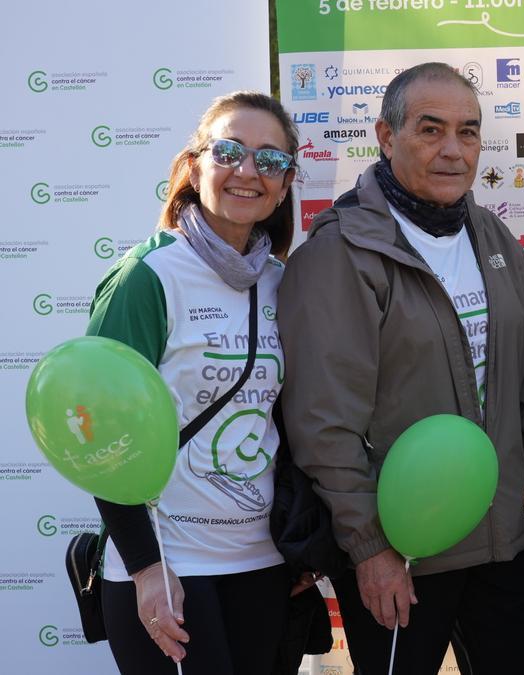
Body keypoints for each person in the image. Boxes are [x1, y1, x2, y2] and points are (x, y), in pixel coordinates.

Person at [277, 62, 524, 675]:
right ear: (386, 137)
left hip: (499, 545)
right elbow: (322, 426)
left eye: (468, 132)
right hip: (403, 556)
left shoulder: (490, 236)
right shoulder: (340, 255)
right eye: (430, 130)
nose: (452, 151)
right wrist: (369, 548)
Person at [88, 91, 299, 673]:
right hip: (169, 564)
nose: (248, 171)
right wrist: (147, 569)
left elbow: (288, 420)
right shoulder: (148, 276)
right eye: (229, 151)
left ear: (285, 185)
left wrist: (302, 546)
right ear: (195, 164)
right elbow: (101, 435)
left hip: (262, 563)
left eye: (271, 160)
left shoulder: (284, 282)